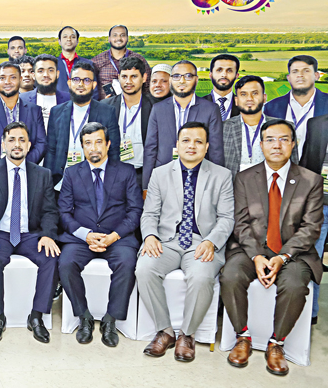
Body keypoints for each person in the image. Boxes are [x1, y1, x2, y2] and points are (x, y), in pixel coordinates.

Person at [221, 119, 322, 376]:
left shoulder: (310, 180)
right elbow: (241, 223)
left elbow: (311, 228)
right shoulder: (245, 178)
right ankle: (242, 336)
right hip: (251, 247)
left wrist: (283, 256)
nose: (277, 145)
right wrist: (256, 255)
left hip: (293, 252)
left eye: (283, 139)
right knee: (230, 275)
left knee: (296, 284)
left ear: (293, 144)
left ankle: (277, 343)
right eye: (270, 140)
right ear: (261, 144)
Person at [137, 121, 234, 362]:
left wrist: (212, 242)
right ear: (177, 145)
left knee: (201, 277)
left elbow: (226, 218)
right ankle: (165, 331)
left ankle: (187, 335)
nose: (192, 146)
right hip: (166, 240)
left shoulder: (222, 175)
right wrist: (150, 235)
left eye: (198, 142)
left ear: (207, 146)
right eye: (186, 141)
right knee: (144, 269)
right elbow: (149, 214)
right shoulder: (160, 174)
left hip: (202, 242)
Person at [0, 121, 59, 344]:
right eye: (11, 140)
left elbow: (50, 210)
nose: (16, 144)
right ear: (3, 144)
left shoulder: (42, 174)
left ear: (29, 145)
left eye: (21, 140)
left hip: (30, 234)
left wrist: (47, 234)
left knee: (51, 257)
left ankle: (36, 316)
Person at [58, 123, 142, 347]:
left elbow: (135, 211)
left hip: (117, 237)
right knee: (65, 263)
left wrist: (114, 235)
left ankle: (110, 320)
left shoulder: (126, 171)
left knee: (127, 263)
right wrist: (85, 235)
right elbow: (64, 212)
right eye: (88, 143)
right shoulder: (72, 173)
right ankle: (84, 316)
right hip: (82, 238)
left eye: (98, 142)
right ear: (82, 146)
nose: (93, 148)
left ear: (108, 144)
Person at [142, 60, 224, 190]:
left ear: (196, 80)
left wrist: (217, 186)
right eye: (176, 76)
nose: (182, 81)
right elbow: (150, 149)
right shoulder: (158, 109)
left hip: (200, 179)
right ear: (170, 80)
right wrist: (146, 186)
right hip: (164, 178)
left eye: (188, 76)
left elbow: (216, 151)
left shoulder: (211, 109)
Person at [44, 61, 120, 187]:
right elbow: (51, 151)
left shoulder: (107, 112)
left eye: (87, 80)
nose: (81, 84)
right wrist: (48, 185)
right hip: (60, 183)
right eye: (76, 79)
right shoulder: (56, 112)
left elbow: (113, 152)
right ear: (69, 83)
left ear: (94, 85)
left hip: (94, 183)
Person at [0, 62, 47, 167]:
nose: (7, 82)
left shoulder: (34, 110)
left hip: (27, 170)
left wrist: (24, 165)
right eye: (2, 78)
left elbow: (41, 143)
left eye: (13, 77)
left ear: (20, 79)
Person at [296, 112, 328, 325]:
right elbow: (306, 164)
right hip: (320, 205)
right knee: (312, 257)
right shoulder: (316, 124)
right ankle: (310, 313)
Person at [101, 57, 154, 186]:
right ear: (118, 77)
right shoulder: (105, 106)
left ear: (144, 78)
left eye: (134, 76)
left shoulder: (155, 107)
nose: (128, 81)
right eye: (124, 77)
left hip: (144, 175)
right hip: (113, 175)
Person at [263, 55, 328, 159]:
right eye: (295, 71)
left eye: (306, 71)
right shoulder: (271, 107)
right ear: (289, 78)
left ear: (316, 76)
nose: (300, 75)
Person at [223, 75, 289, 176]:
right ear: (236, 100)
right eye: (243, 94)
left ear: (264, 98)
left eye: (255, 93)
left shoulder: (284, 128)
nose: (250, 98)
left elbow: (293, 168)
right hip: (234, 184)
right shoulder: (223, 128)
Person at [91, 25, 150, 91]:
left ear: (127, 38)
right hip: (105, 97)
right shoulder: (97, 61)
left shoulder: (139, 59)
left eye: (122, 35)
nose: (119, 38)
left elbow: (148, 86)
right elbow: (90, 87)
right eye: (115, 35)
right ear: (109, 39)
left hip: (133, 97)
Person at [22, 54, 70, 130]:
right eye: (40, 71)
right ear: (34, 75)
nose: (46, 75)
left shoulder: (69, 99)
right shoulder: (22, 100)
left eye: (50, 70)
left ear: (57, 74)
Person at [54, 26, 93, 96]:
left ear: (77, 41)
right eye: (65, 37)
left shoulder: (89, 64)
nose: (69, 39)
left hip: (82, 101)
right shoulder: (53, 64)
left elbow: (94, 91)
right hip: (58, 102)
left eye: (72, 37)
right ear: (59, 41)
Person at [206, 54, 241, 120]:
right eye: (219, 70)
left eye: (229, 70)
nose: (224, 75)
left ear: (236, 76)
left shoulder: (243, 105)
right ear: (210, 75)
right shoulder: (197, 105)